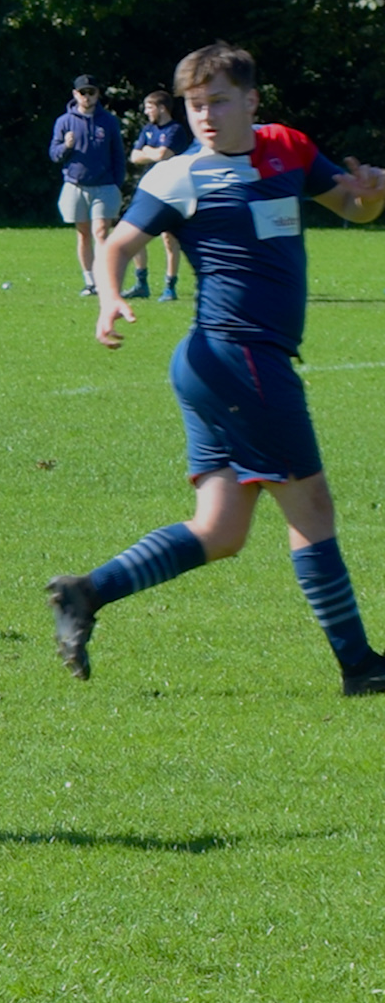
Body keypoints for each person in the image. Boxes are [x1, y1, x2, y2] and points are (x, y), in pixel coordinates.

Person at [48, 42, 385, 696]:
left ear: (251, 102)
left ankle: (86, 593)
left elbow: (353, 207)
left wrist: (373, 190)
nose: (204, 115)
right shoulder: (179, 176)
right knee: (310, 507)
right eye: (194, 105)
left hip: (220, 366)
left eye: (217, 102)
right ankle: (360, 667)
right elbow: (118, 244)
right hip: (239, 360)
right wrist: (111, 295)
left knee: (221, 530)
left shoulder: (286, 147)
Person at [50, 74, 128, 296]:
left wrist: (117, 184)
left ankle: (105, 280)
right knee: (83, 234)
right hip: (75, 186)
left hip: (104, 186)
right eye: (82, 93)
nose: (87, 96)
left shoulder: (109, 121)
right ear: (75, 95)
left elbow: (118, 156)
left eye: (91, 92)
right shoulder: (64, 122)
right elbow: (54, 155)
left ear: (97, 94)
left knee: (101, 232)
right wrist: (66, 146)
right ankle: (90, 281)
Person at [128, 89, 193, 301]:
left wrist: (148, 151)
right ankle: (141, 284)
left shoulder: (176, 130)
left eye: (149, 107)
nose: (147, 112)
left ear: (162, 108)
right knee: (136, 234)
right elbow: (134, 157)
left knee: (169, 239)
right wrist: (150, 153)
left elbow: (164, 155)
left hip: (172, 188)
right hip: (149, 187)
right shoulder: (148, 129)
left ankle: (170, 286)